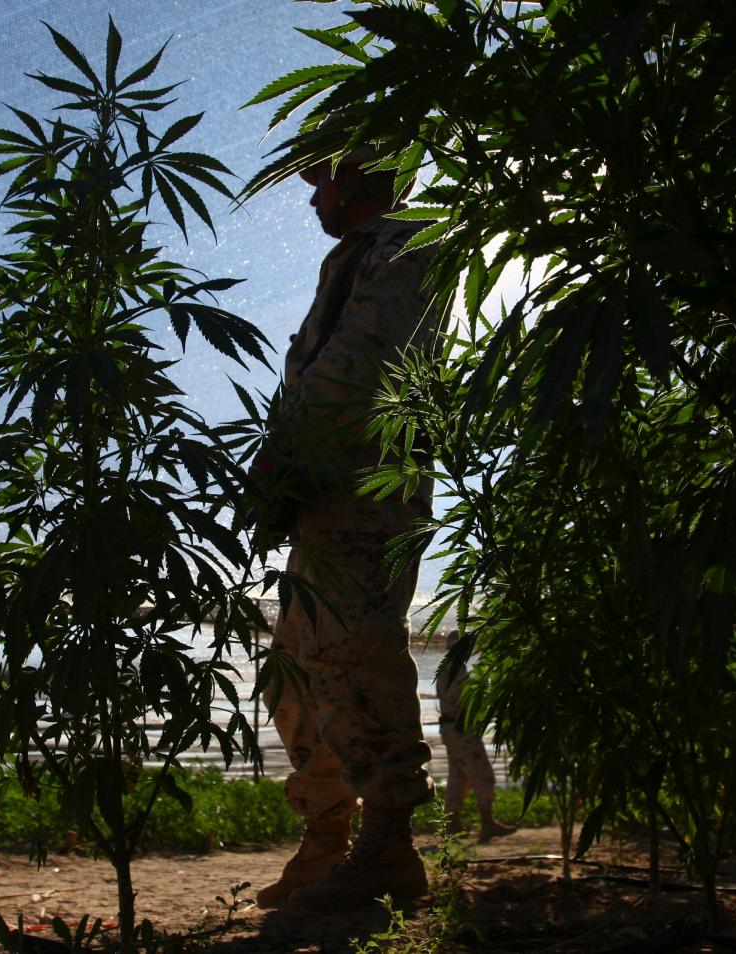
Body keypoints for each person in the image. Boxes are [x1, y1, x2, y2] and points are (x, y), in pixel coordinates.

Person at [249, 131, 439, 915]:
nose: (313, 195)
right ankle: (328, 837)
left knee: (353, 657)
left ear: (362, 176)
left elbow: (360, 362)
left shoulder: (407, 245)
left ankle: (387, 847)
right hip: (331, 493)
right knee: (294, 669)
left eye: (323, 180)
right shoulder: (358, 255)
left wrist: (280, 457)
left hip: (367, 492)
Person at [435, 632, 516, 842]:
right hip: (461, 728)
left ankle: (453, 825)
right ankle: (487, 824)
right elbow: (459, 697)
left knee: (458, 775)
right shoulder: (454, 668)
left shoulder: (448, 667)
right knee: (482, 773)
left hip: (450, 728)